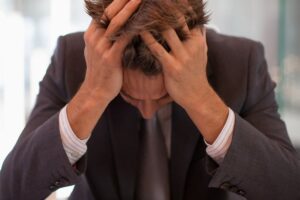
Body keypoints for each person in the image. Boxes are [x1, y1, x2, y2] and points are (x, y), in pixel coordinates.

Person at [0, 0, 300, 199]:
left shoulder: (242, 63)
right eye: (129, 96)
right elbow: (11, 189)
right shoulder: (73, 59)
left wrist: (200, 98)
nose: (146, 111)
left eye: (164, 97)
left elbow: (288, 188)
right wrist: (93, 94)